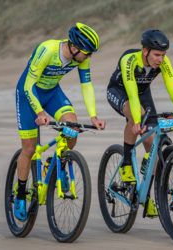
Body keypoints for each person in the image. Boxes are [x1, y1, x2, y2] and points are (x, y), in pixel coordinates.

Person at [14, 22, 106, 221]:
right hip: (28, 94)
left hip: (52, 93)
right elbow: (29, 85)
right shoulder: (47, 50)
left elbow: (86, 85)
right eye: (88, 53)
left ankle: (56, 164)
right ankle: (20, 194)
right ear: (74, 47)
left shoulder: (80, 57)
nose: (89, 57)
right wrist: (39, 111)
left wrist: (93, 116)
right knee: (29, 149)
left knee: (72, 127)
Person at [106, 29, 173, 217]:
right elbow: (131, 92)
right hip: (120, 92)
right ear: (145, 51)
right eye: (156, 55)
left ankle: (146, 196)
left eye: (163, 55)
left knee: (152, 142)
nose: (160, 59)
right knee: (137, 115)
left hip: (143, 94)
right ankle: (127, 164)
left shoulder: (163, 62)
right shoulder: (129, 60)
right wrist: (137, 120)